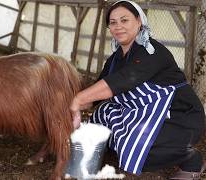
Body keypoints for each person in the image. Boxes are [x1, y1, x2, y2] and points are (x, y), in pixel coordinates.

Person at [70, 0, 206, 179]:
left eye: (124, 20)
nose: (118, 26)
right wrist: (71, 110)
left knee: (143, 149)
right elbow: (96, 95)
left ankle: (191, 160)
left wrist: (78, 100)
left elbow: (125, 80)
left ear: (139, 21)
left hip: (179, 116)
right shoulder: (116, 59)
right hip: (145, 112)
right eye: (113, 22)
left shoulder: (152, 51)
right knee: (103, 113)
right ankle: (98, 159)